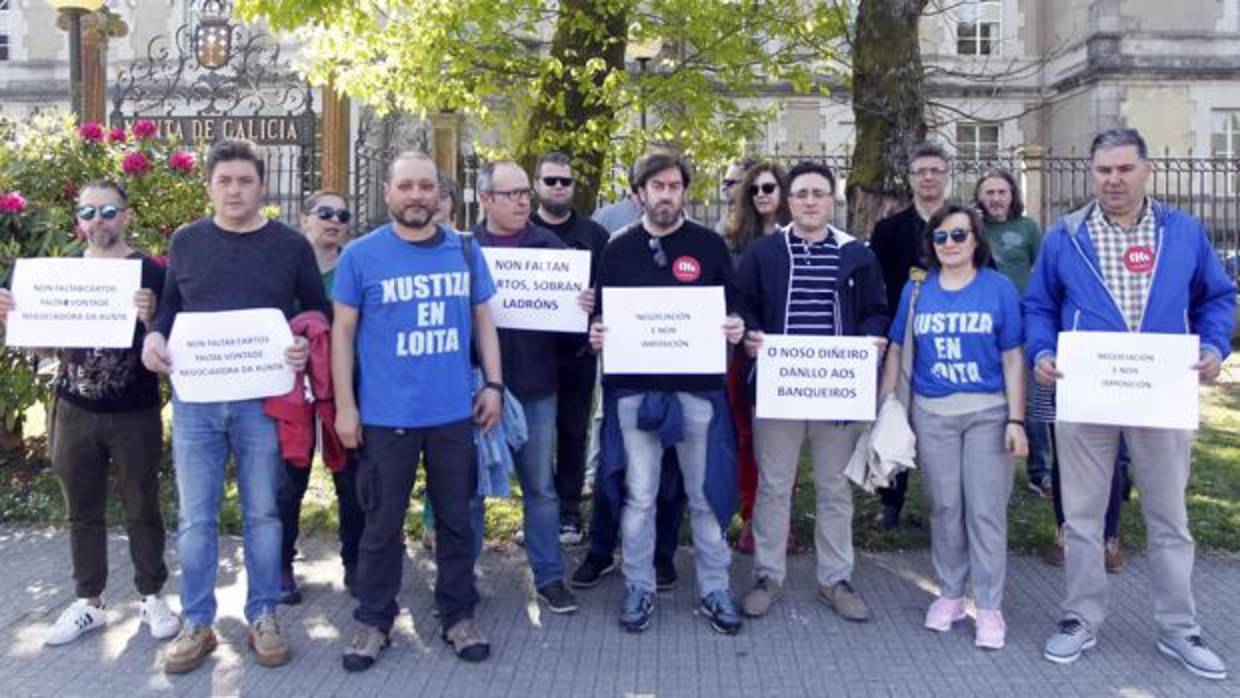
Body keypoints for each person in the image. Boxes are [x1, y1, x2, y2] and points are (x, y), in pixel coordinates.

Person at [1026, 128, 1235, 679]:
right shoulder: (1065, 234)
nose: (1113, 180)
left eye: (1123, 169)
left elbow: (1217, 296)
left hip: (1161, 394)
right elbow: (1038, 305)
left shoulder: (1183, 232)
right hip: (1086, 391)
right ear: (1091, 173)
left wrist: (1214, 346)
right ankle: (1079, 619)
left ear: (1146, 170)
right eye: (1103, 171)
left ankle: (1179, 629)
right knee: (1082, 517)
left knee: (1169, 518)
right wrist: (1042, 350)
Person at [142, 139, 328, 673]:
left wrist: (301, 341)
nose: (234, 190)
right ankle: (197, 623)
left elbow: (315, 310)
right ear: (209, 187)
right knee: (197, 519)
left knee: (264, 513)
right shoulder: (187, 241)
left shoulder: (291, 246)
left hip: (262, 401)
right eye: (224, 180)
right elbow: (172, 308)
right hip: (197, 401)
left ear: (262, 187)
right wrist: (154, 338)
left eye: (245, 180)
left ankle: (263, 615)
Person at [332, 151, 502, 672]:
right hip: (386, 415)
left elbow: (483, 321)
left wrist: (494, 383)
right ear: (388, 193)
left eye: (426, 186)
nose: (416, 196)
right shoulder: (361, 255)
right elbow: (342, 333)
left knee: (456, 521)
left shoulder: (466, 249)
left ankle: (458, 614)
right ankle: (373, 620)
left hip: (453, 412)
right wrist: (345, 406)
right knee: (380, 524)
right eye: (405, 186)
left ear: (440, 195)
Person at [0, 181, 179, 647]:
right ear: (78, 221)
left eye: (108, 210)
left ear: (127, 215)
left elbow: (168, 339)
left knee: (142, 505)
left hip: (134, 409)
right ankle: (89, 602)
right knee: (81, 509)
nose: (98, 219)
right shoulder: (59, 272)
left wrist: (151, 316)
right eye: (88, 211)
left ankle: (152, 595)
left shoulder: (151, 272)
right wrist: (16, 317)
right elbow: (41, 345)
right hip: (74, 408)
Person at [589, 152, 746, 635]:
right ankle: (640, 586)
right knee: (640, 496)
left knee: (704, 494)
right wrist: (595, 332)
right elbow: (599, 317)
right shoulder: (617, 249)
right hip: (635, 392)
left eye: (674, 185)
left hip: (697, 391)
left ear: (683, 191)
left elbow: (733, 306)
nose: (665, 194)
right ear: (638, 194)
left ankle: (714, 588)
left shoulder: (709, 245)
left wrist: (736, 326)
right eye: (656, 186)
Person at [735, 161, 888, 622]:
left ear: (832, 199)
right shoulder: (764, 252)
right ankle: (768, 575)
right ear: (788, 199)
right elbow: (743, 305)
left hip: (836, 389)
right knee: (774, 486)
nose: (809, 201)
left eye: (818, 193)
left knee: (835, 487)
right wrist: (750, 334)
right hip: (780, 388)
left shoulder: (857, 254)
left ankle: (835, 579)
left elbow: (876, 310)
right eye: (800, 193)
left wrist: (873, 339)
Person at [879, 203, 1027, 650]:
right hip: (932, 413)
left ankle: (989, 605)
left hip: (987, 412)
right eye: (940, 237)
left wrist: (1017, 420)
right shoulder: (917, 289)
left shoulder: (998, 288)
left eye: (958, 236)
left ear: (977, 240)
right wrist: (888, 405)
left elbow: (1013, 357)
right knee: (944, 507)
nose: (949, 245)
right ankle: (948, 593)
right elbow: (898, 348)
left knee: (983, 509)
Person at [472, 159, 590, 613]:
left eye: (525, 192)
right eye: (512, 194)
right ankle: (464, 578)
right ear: (485, 200)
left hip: (537, 386)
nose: (524, 201)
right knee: (471, 487)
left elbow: (571, 333)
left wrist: (579, 308)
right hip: (478, 387)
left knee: (540, 487)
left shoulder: (551, 248)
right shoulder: (466, 250)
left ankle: (549, 577)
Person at [275, 190, 365, 605]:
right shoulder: (283, 265)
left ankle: (355, 561)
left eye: (341, 215)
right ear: (303, 218)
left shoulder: (357, 265)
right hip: (289, 390)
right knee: (288, 481)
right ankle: (280, 564)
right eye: (323, 212)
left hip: (344, 387)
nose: (333, 220)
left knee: (351, 479)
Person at [868, 142, 952, 530]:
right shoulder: (889, 230)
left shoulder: (964, 224)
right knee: (895, 412)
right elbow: (878, 286)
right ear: (911, 178)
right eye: (921, 171)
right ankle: (891, 501)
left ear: (946, 174)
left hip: (952, 337)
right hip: (903, 337)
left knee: (943, 421)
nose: (929, 177)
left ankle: (946, 505)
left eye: (935, 169)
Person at [529, 152, 610, 545]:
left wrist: (598, 310)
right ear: (536, 186)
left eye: (565, 181)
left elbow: (613, 294)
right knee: (533, 438)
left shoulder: (595, 236)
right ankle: (536, 511)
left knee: (573, 434)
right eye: (551, 181)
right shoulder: (520, 232)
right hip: (529, 355)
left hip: (577, 354)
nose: (559, 187)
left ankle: (568, 512)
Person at [723, 161, 793, 555]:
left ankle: (781, 521)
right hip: (745, 352)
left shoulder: (803, 238)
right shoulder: (733, 240)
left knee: (784, 442)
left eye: (770, 187)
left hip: (789, 354)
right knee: (748, 437)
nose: (763, 194)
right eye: (755, 189)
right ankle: (751, 515)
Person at [975, 170, 1051, 498]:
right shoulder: (971, 229)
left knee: (1032, 401)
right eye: (989, 192)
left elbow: (1044, 271)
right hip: (983, 324)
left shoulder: (1027, 228)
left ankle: (1041, 471)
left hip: (1022, 323)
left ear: (1011, 195)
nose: (995, 198)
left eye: (1001, 192)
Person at [714, 158, 757, 236]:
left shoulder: (760, 223)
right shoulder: (724, 221)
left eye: (731, 183)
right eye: (724, 182)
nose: (724, 187)